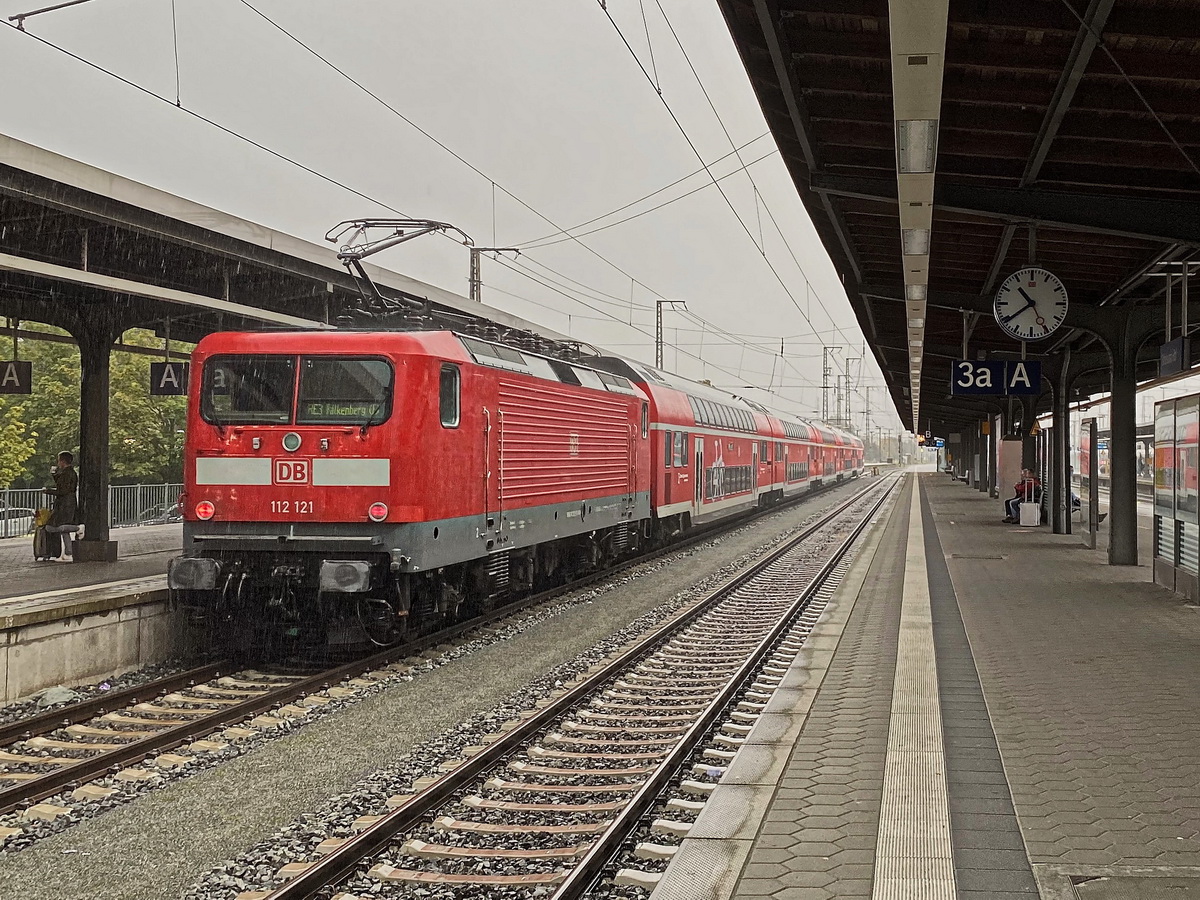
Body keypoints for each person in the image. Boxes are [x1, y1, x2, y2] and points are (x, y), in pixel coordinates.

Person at [43, 451, 80, 560]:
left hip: (65, 503)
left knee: (53, 526)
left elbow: (62, 490)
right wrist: (54, 475)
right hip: (69, 502)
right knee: (64, 530)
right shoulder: (70, 473)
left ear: (63, 461)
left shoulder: (66, 474)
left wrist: (48, 491)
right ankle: (68, 553)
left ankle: (78, 528)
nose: (58, 463)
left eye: (59, 460)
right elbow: (62, 485)